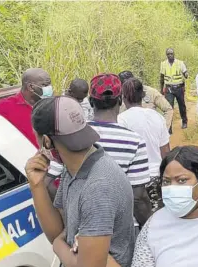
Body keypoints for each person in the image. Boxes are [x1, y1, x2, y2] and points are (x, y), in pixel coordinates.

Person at [25, 96, 135, 267]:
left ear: (46, 141)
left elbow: (64, 242)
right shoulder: (73, 167)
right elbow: (59, 230)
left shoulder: (98, 187)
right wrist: (37, 185)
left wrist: (57, 245)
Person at [47, 73, 153, 228]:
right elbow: (138, 197)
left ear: (90, 101)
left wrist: (70, 215)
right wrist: (149, 227)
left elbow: (48, 182)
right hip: (122, 230)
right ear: (119, 100)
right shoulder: (134, 141)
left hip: (82, 230)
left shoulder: (71, 136)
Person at [118, 78, 171, 212]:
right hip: (156, 176)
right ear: (143, 95)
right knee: (159, 218)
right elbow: (165, 151)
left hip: (134, 182)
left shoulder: (121, 120)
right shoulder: (157, 117)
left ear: (123, 97)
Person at [0, 68, 53, 148]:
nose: (49, 88)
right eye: (45, 85)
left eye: (50, 85)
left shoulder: (51, 103)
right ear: (31, 87)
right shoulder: (5, 106)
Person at [160, 48, 188, 130]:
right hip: (169, 89)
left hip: (179, 88)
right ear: (166, 55)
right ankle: (169, 127)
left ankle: (184, 121)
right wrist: (161, 89)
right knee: (169, 107)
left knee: (182, 106)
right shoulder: (163, 64)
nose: (170, 55)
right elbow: (161, 78)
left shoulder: (180, 63)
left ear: (174, 54)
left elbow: (185, 73)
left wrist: (186, 74)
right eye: (168, 54)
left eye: (171, 53)